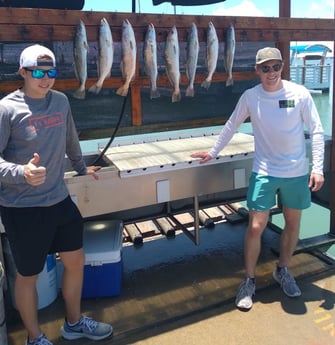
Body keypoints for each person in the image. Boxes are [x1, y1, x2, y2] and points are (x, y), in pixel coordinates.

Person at [191, 47, 324, 310]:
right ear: (257, 70)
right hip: (264, 170)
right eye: (265, 68)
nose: (271, 72)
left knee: (292, 224)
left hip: (296, 172)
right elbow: (232, 125)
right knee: (254, 227)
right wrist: (213, 152)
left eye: (275, 67)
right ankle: (249, 280)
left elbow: (317, 131)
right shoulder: (251, 97)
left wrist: (317, 167)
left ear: (282, 67)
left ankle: (283, 270)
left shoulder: (300, 94)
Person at [0, 44, 113, 344]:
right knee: (28, 276)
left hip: (58, 199)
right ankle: (34, 337)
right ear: (22, 72)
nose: (45, 78)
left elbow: (70, 138)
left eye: (51, 72)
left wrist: (81, 168)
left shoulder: (61, 102)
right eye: (38, 72)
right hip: (22, 207)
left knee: (76, 259)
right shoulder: (7, 108)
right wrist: (21, 173)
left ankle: (74, 323)